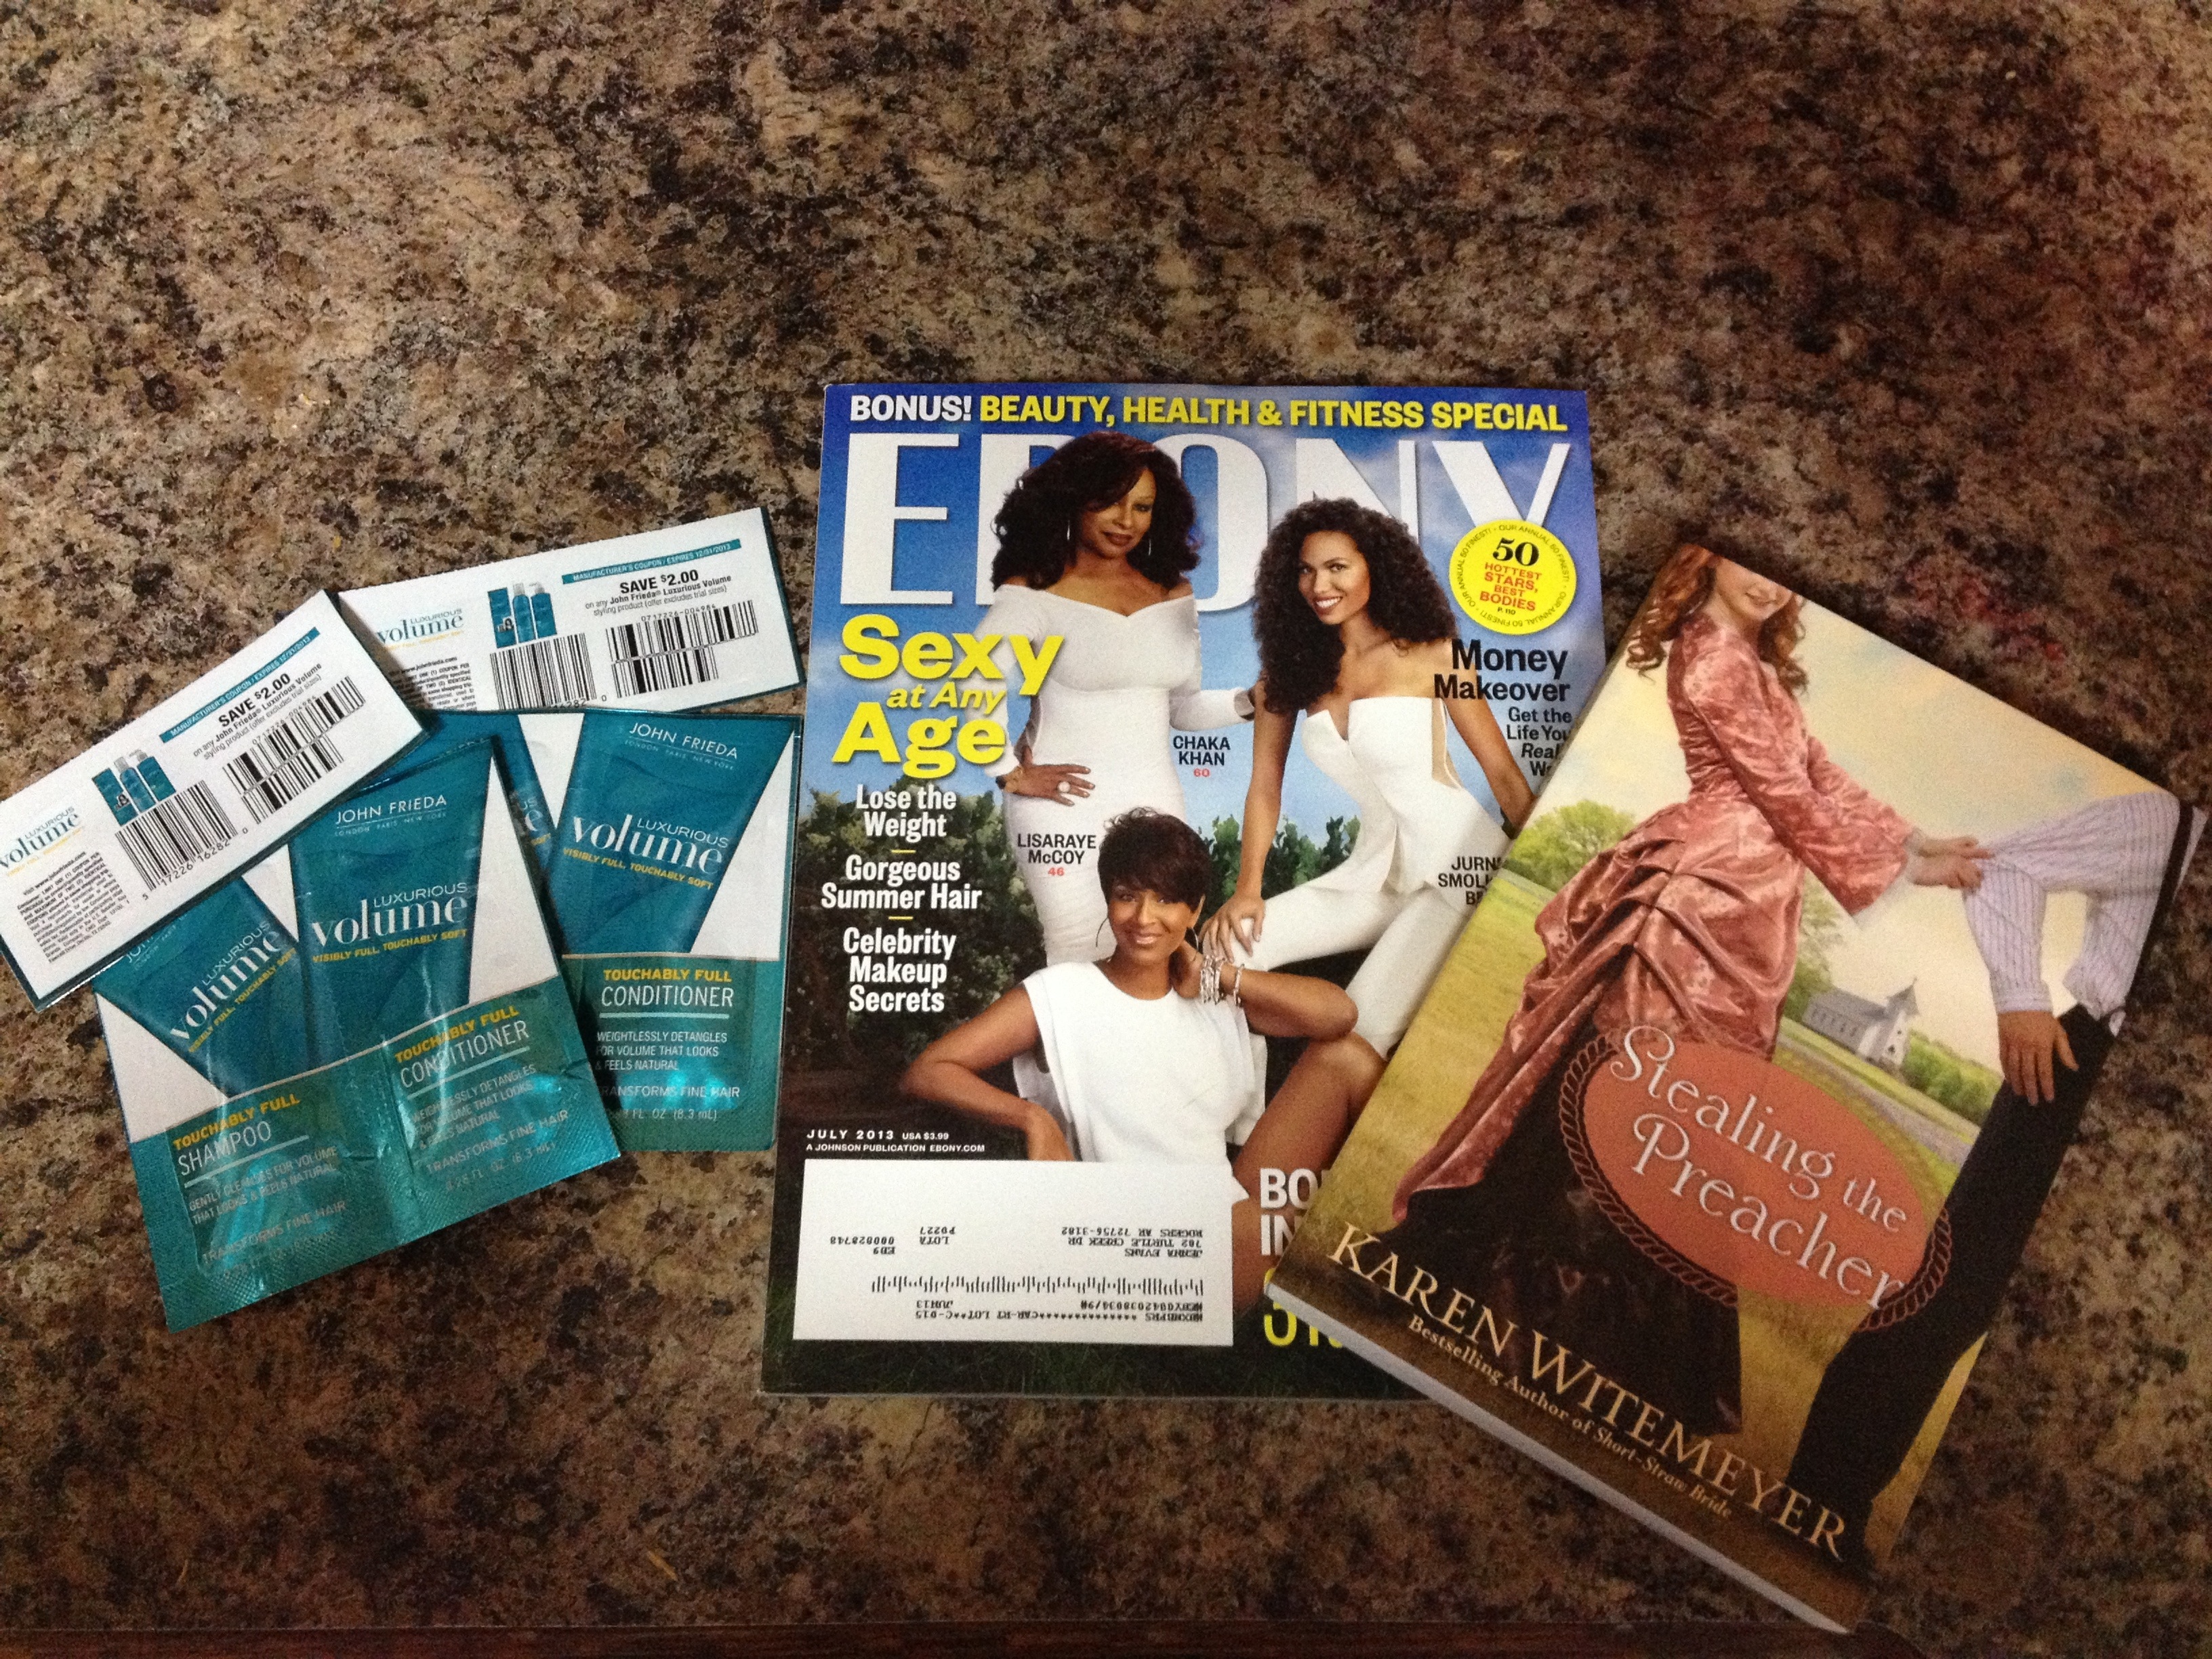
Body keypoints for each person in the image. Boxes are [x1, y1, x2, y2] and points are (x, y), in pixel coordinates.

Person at [1376, 546, 1988, 1434]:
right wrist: (1904, 872)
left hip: (1752, 905)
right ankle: (1552, 1322)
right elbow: (1783, 796)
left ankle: (1614, 1341)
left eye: (1782, 577)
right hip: (1700, 895)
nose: (1769, 584)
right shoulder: (1709, 657)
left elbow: (1821, 775)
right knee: (1641, 1092)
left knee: (1692, 1114)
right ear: (1705, 566)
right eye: (1752, 568)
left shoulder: (1758, 666)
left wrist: (1918, 844)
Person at [1785, 789, 2199, 1574]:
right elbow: (2006, 868)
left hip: (2171, 1145)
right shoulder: (2169, 824)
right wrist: (2021, 998)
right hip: (2074, 1072)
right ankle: (1821, 1501)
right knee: (1955, 1293)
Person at [901, 809, 1364, 1312]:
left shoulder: (1215, 998)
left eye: (1165, 900)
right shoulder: (1063, 992)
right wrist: (1031, 1116)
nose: (1144, 919)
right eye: (1127, 896)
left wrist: (1218, 976)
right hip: (1142, 1239)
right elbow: (928, 1070)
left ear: (1195, 910)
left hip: (1230, 1211)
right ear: (1109, 899)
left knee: (1348, 1059)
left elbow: (1339, 1017)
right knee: (1257, 1229)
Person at [1202, 497, 1538, 1189]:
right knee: (1220, 958)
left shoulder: (1438, 653)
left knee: (1361, 1031)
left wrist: (1546, 883)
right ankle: (1234, 1125)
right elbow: (1264, 790)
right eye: (1305, 571)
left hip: (1459, 874)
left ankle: (1343, 1180)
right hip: (1372, 874)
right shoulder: (1291, 676)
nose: (1319, 585)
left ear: (1374, 568)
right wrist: (1246, 890)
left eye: (1337, 568)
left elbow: (1504, 777)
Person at [979, 432, 1250, 966]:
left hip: (1157, 801)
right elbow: (974, 682)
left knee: (1150, 956)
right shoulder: (1034, 591)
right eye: (1110, 502)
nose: (1126, 520)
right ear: (1074, 500)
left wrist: (1249, 702)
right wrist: (1007, 771)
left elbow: (1182, 708)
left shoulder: (1173, 593)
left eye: (1142, 507)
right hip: (1062, 808)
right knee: (1079, 950)